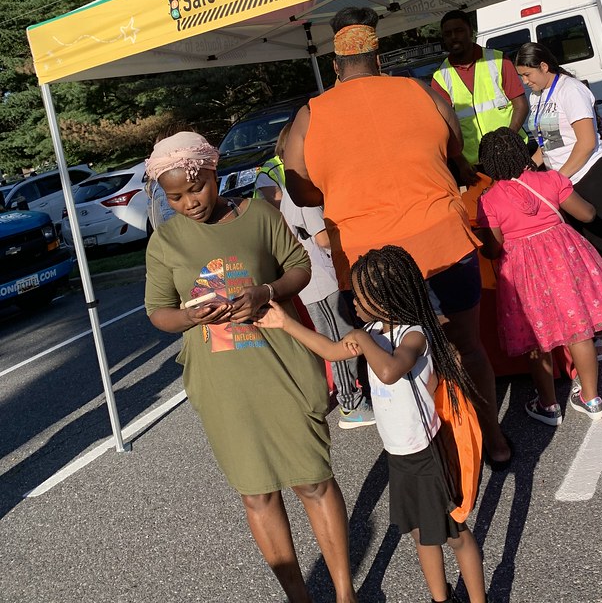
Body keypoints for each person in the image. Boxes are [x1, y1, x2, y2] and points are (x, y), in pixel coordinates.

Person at [284, 6, 513, 469]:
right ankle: (493, 440)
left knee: (393, 358)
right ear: (378, 55)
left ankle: (431, 454)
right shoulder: (420, 91)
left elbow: (300, 189)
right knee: (466, 345)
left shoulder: (311, 115)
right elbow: (454, 150)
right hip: (443, 245)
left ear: (335, 64)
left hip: (371, 265)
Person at [143, 132, 357, 603]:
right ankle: (298, 596)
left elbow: (299, 266)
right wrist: (189, 316)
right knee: (257, 494)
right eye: (175, 196)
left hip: (282, 366)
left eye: (196, 189)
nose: (189, 203)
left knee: (314, 481)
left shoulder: (259, 214)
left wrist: (264, 292)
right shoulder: (165, 240)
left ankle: (345, 592)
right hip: (224, 385)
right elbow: (158, 311)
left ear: (213, 174)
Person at [257, 245, 488, 603]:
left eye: (363, 299)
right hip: (399, 456)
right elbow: (332, 351)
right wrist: (286, 324)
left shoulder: (415, 335)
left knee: (455, 532)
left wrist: (364, 339)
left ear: (388, 297)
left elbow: (390, 371)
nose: (356, 305)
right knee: (419, 533)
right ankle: (441, 598)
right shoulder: (372, 330)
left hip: (428, 454)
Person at [475, 128, 602, 422]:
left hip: (522, 273)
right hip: (564, 259)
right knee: (579, 329)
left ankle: (548, 405)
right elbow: (586, 214)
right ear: (523, 154)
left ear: (488, 166)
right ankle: (591, 398)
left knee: (535, 338)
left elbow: (493, 249)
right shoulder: (550, 179)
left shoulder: (489, 200)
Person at [514, 41, 602, 355]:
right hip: (565, 182)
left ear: (544, 66)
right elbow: (550, 143)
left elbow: (585, 143)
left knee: (599, 248)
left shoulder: (571, 90)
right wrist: (529, 170)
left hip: (590, 176)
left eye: (528, 74)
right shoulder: (539, 95)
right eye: (522, 76)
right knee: (585, 253)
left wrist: (556, 179)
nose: (525, 81)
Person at [269, 121, 375, 429]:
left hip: (321, 279)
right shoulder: (303, 194)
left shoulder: (294, 191)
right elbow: (323, 239)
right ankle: (350, 406)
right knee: (340, 340)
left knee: (343, 337)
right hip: (320, 281)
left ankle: (355, 397)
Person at [431, 9, 529, 187]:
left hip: (513, 155)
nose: (454, 37)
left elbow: (520, 105)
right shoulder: (440, 76)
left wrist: (507, 140)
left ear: (471, 31)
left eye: (459, 31)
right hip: (475, 167)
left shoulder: (499, 60)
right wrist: (460, 163)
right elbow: (442, 127)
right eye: (448, 34)